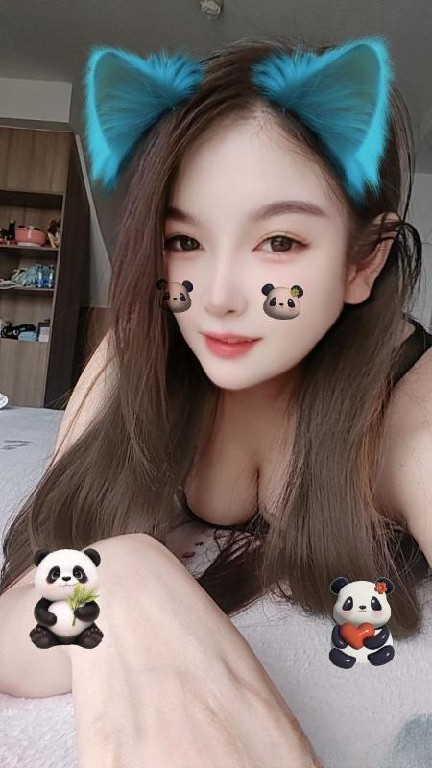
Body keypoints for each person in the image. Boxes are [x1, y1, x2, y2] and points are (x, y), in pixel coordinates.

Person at [1, 33, 431, 766]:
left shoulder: (407, 411)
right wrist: (126, 581)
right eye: (185, 242)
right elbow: (30, 594)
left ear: (363, 261)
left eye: (280, 242)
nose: (219, 296)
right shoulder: (135, 356)